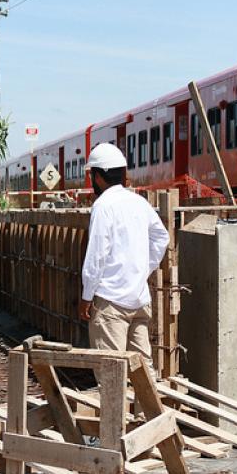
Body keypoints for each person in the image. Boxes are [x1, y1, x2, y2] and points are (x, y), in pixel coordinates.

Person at [78, 143, 169, 374]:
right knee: (143, 373)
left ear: (97, 176)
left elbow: (96, 255)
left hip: (111, 304)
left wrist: (87, 296)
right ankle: (146, 412)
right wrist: (141, 271)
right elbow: (161, 237)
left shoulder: (103, 206)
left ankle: (116, 412)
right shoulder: (139, 202)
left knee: (111, 375)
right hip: (138, 300)